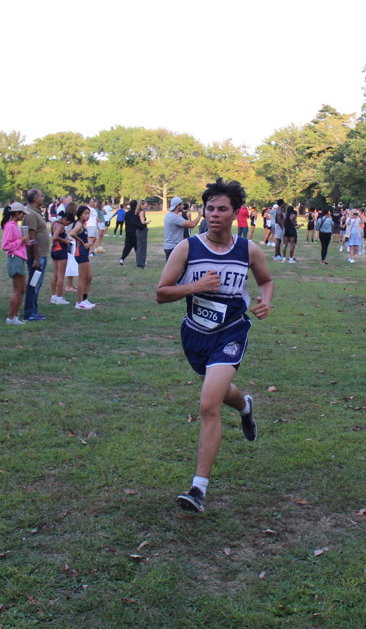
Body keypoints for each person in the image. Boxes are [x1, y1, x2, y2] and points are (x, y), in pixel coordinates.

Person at [155, 178, 273, 513]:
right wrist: (194, 286)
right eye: (210, 208)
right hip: (196, 334)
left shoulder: (248, 250)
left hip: (231, 332)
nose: (214, 214)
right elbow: (161, 293)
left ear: (236, 213)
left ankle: (198, 489)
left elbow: (266, 280)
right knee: (219, 391)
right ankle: (245, 406)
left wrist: (266, 300)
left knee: (209, 404)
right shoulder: (188, 249)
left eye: (222, 209)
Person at [22, 188, 50, 321]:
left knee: (37, 284)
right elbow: (31, 238)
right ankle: (29, 313)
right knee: (33, 285)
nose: (42, 198)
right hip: (37, 257)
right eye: (41, 196)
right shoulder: (31, 214)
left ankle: (34, 311)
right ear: (34, 199)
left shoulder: (36, 212)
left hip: (41, 254)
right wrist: (36, 259)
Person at [0, 202, 28, 324]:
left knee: (22, 289)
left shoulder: (15, 225)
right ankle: (11, 318)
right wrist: (21, 240)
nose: (23, 216)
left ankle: (15, 315)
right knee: (18, 290)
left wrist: (25, 242)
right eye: (22, 213)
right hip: (14, 258)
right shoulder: (10, 226)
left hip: (19, 258)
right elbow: (5, 245)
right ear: (16, 213)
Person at [70, 205, 97, 309]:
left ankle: (84, 299)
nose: (88, 215)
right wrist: (81, 241)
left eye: (88, 213)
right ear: (80, 215)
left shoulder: (83, 225)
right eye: (85, 213)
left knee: (89, 277)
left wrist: (88, 243)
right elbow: (72, 233)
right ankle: (79, 302)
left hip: (84, 252)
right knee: (83, 278)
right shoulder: (79, 224)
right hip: (80, 253)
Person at [163, 196, 202, 261]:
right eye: (181, 204)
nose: (183, 206)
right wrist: (200, 215)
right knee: (176, 267)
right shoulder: (174, 217)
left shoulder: (169, 215)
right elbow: (192, 224)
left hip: (169, 246)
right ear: (177, 206)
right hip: (173, 247)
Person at [48, 210, 72, 306]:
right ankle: (59, 297)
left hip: (54, 250)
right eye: (68, 223)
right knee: (61, 276)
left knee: (55, 275)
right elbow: (55, 237)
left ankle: (53, 296)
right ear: (65, 220)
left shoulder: (54, 223)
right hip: (61, 251)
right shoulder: (60, 225)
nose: (67, 225)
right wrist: (66, 241)